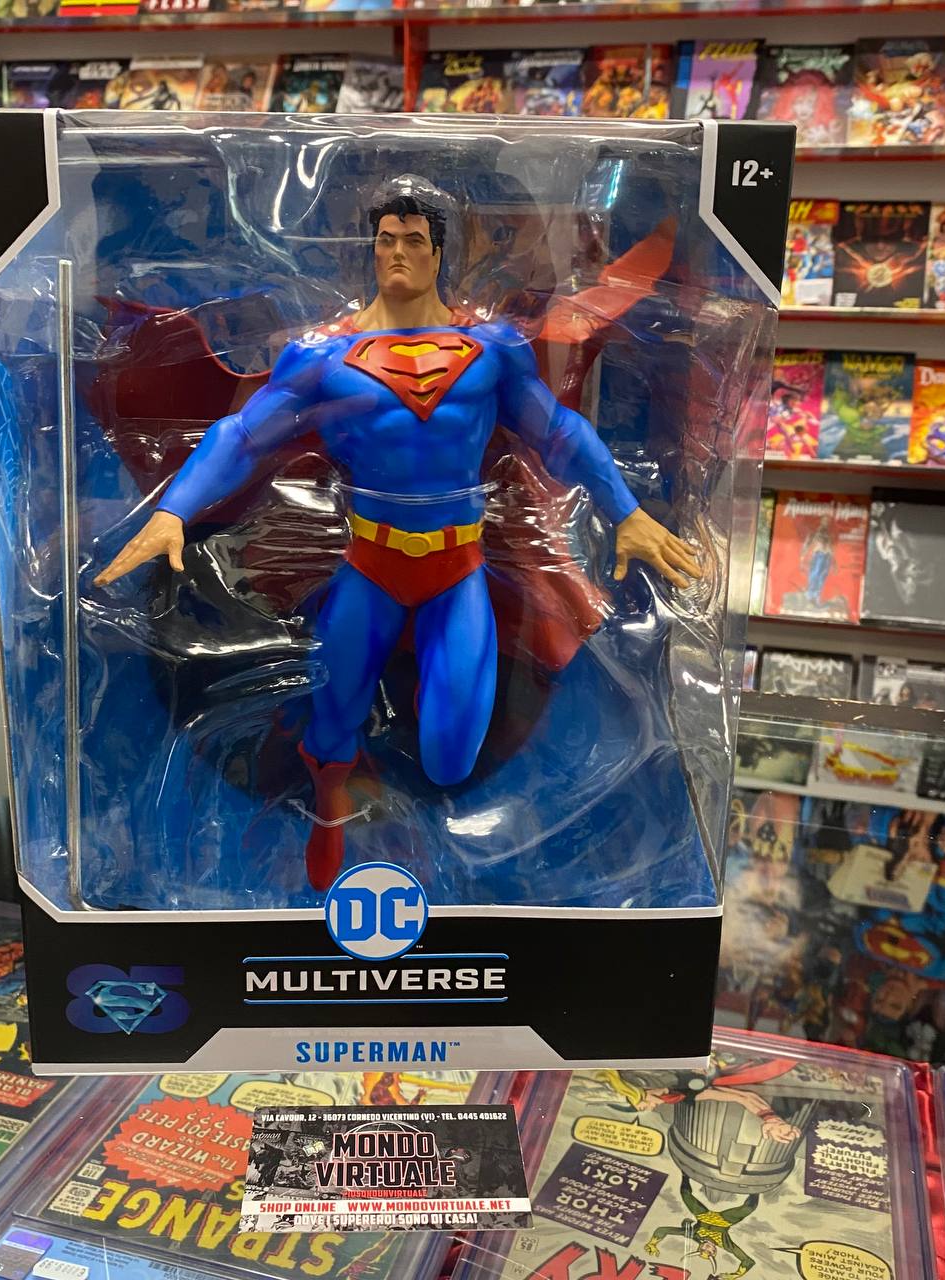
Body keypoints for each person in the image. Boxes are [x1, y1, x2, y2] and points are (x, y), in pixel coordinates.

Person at [96, 175, 698, 889]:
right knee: (333, 723)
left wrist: (626, 512)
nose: (398, 253)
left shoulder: (490, 350)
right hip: (369, 567)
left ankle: (416, 812)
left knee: (449, 756)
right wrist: (173, 511)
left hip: (458, 571)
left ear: (438, 252)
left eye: (413, 240)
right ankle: (329, 803)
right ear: (371, 250)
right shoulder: (323, 357)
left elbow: (559, 433)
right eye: (386, 241)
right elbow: (244, 435)